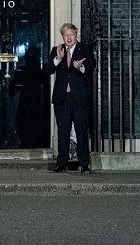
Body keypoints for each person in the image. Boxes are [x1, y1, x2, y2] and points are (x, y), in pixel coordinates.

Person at [47, 23, 94, 173]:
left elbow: (92, 66)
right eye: (65, 35)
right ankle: (62, 163)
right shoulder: (57, 50)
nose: (68, 37)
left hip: (79, 98)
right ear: (62, 36)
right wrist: (57, 59)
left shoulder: (84, 49)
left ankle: (84, 163)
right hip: (62, 98)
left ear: (76, 34)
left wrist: (81, 66)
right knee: (63, 132)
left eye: (71, 34)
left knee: (81, 131)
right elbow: (48, 69)